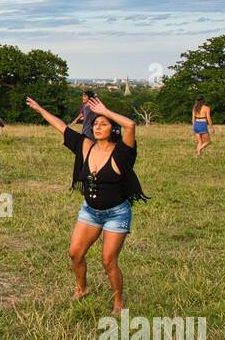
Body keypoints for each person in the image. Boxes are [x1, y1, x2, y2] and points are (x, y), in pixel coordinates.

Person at [27, 95, 145, 313]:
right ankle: (82, 288)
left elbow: (130, 124)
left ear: (113, 129)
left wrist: (105, 110)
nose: (98, 126)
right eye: (95, 123)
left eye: (104, 124)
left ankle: (118, 301)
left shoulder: (122, 152)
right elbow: (61, 126)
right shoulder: (85, 146)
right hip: (90, 212)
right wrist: (39, 109)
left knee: (108, 261)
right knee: (75, 253)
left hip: (116, 213)